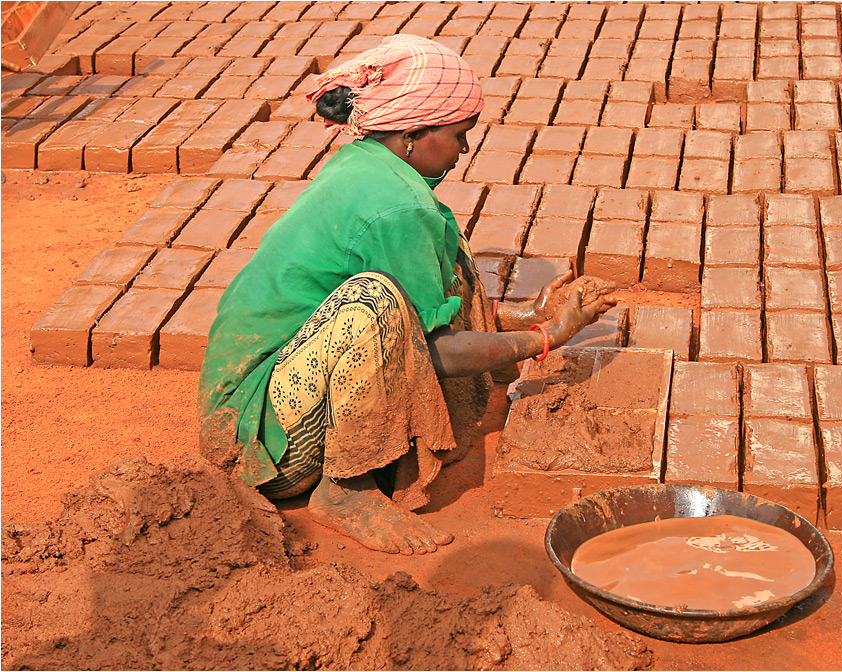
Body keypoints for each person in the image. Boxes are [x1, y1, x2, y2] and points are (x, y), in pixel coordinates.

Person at [198, 35, 615, 556]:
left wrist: (527, 316)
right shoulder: (400, 207)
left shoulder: (366, 164)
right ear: (416, 131)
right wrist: (547, 337)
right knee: (374, 300)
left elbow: (425, 309)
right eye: (461, 135)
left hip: (289, 384)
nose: (465, 149)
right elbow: (434, 349)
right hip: (265, 437)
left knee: (446, 251)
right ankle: (347, 490)